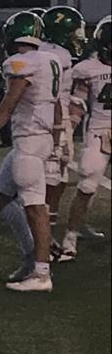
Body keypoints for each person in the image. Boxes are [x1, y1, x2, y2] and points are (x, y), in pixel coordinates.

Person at [0, 11, 63, 292]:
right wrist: (55, 139)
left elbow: (8, 104)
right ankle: (32, 256)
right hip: (37, 138)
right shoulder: (52, 60)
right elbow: (56, 105)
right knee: (1, 196)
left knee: (35, 207)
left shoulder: (22, 64)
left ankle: (42, 274)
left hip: (30, 139)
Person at [59, 15, 111, 261]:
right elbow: (78, 104)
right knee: (87, 185)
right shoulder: (88, 69)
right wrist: (67, 131)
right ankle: (71, 236)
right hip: (100, 133)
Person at [37, 6, 84, 247]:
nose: (78, 36)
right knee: (50, 180)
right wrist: (58, 128)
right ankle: (41, 236)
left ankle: (46, 232)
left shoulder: (47, 51)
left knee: (59, 179)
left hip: (51, 118)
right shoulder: (59, 55)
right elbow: (55, 96)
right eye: (74, 31)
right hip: (53, 120)